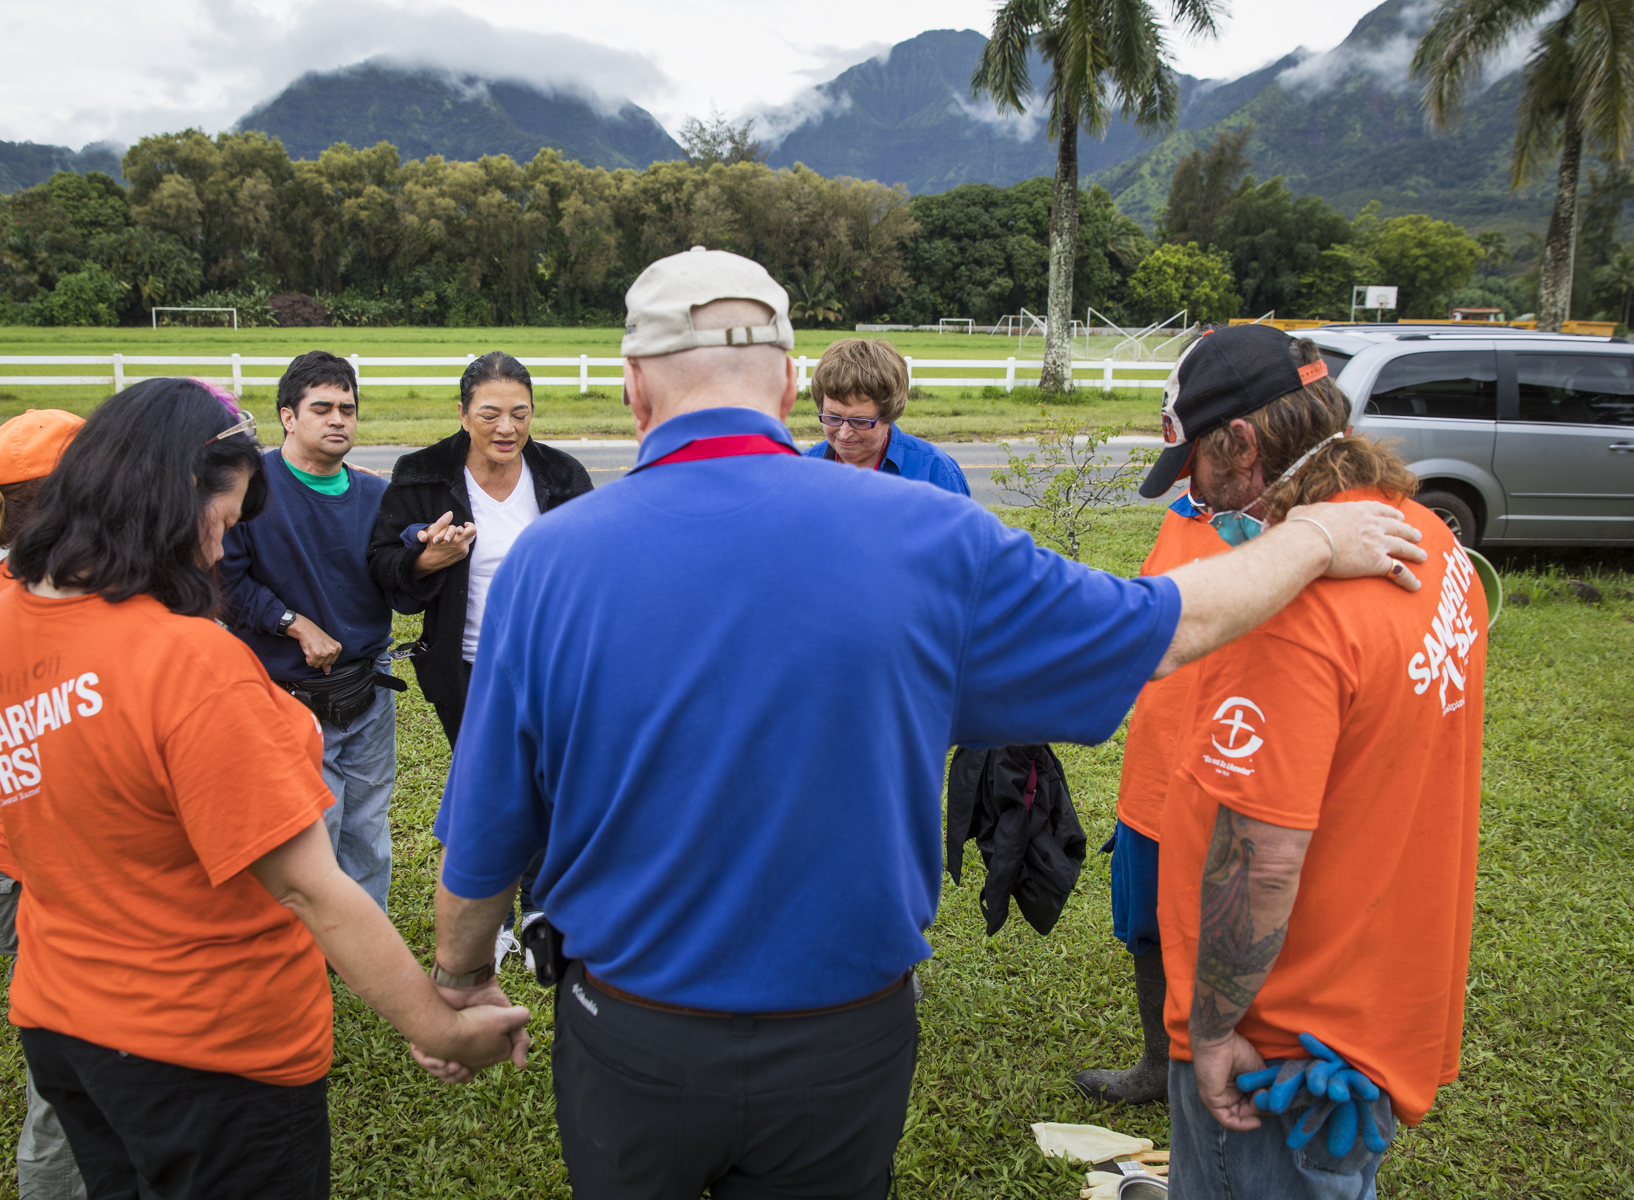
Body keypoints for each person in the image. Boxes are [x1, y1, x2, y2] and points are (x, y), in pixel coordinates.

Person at [422, 247, 1426, 1200]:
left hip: (629, 1030)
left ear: (637, 390)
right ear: (785, 390)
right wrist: (1314, 539)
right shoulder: (932, 537)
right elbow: (1162, 625)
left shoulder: (550, 564)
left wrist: (460, 979)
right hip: (843, 1043)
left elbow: (485, 840)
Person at [0, 378, 529, 1200]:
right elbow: (308, 887)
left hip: (64, 1022)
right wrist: (440, 1024)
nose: (221, 552)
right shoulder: (188, 662)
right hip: (212, 1050)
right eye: (219, 523)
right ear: (162, 500)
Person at [1150, 324, 1487, 1198]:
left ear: (1243, 445)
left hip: (1280, 1047)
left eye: (1198, 465)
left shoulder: (1287, 613)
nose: (1193, 492)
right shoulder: (1422, 535)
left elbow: (1260, 855)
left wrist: (1214, 1029)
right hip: (1369, 1007)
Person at [366, 352, 591, 956]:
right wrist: (424, 560)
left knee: (550, 784)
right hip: (464, 664)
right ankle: (487, 919)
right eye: (490, 413)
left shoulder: (561, 475)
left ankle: (539, 909)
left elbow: (591, 569)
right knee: (485, 788)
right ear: (463, 414)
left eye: (520, 413)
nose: (506, 427)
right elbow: (384, 567)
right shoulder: (421, 475)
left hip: (549, 665)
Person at [1074, 343, 1232, 1107]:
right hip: (1154, 777)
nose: (1189, 486)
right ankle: (1157, 1066)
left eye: (1192, 460)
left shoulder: (1295, 543)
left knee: (1224, 943)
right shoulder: (1184, 515)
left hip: (1228, 786)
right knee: (1148, 934)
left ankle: (1217, 1079)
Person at [0, 406, 88, 1200]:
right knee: (65, 1077)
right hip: (34, 864)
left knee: (64, 1056)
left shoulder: (11, 583)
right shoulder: (45, 605)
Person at [219, 352, 399, 910]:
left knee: (368, 826)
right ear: (288, 417)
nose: (338, 419)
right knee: (312, 825)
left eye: (347, 408)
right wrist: (291, 622)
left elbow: (395, 568)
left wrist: (424, 553)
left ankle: (364, 935)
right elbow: (225, 579)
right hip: (286, 692)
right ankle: (307, 943)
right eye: (321, 408)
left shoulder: (374, 495)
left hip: (368, 686)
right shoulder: (253, 490)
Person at [800, 337, 971, 495]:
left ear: (890, 413)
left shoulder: (935, 474)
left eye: (860, 421)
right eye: (833, 417)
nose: (844, 433)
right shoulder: (802, 470)